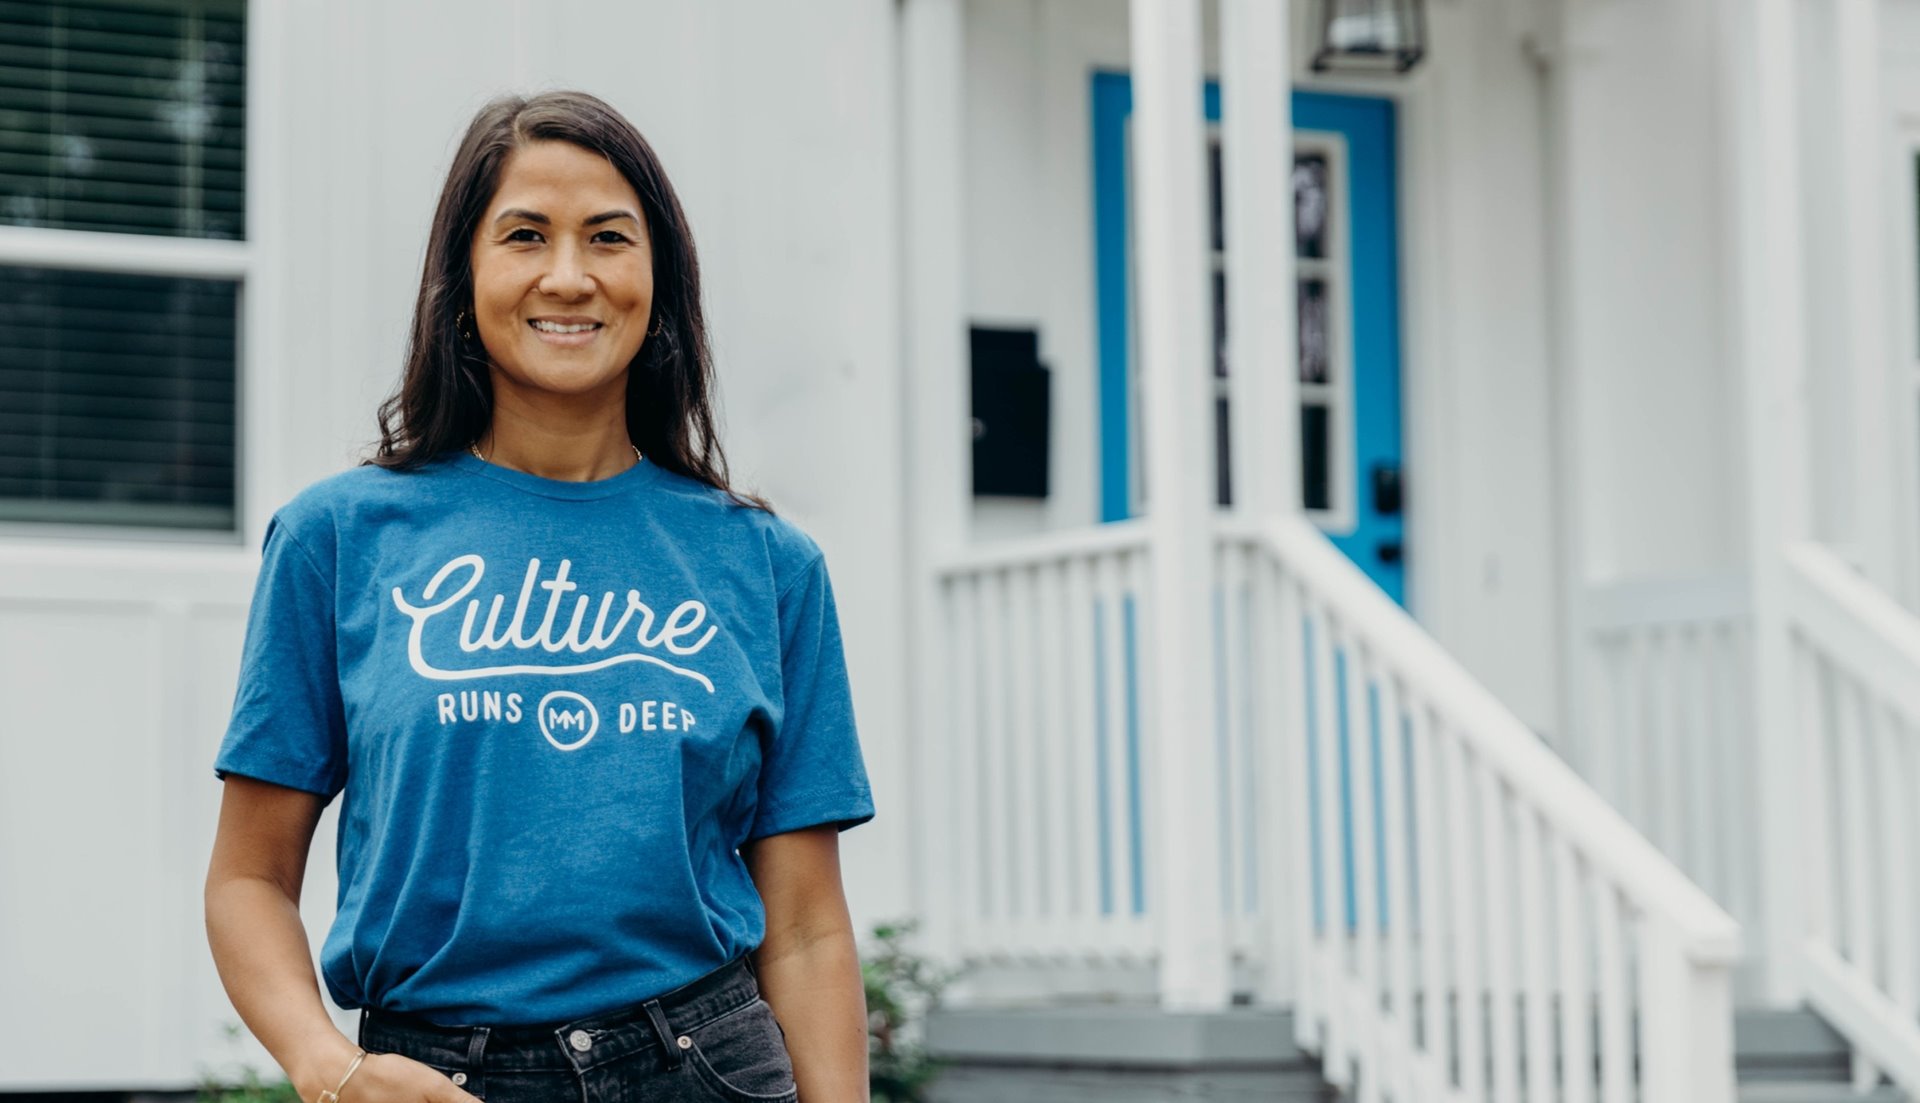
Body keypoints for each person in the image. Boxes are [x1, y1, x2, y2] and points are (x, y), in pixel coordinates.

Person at [202, 89, 876, 1103]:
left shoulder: (769, 565)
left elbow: (811, 924)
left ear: (660, 279)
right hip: (435, 1078)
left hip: (703, 1067)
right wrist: (328, 1064)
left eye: (609, 238)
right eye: (525, 235)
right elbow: (248, 878)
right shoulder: (336, 540)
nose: (569, 276)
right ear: (463, 274)